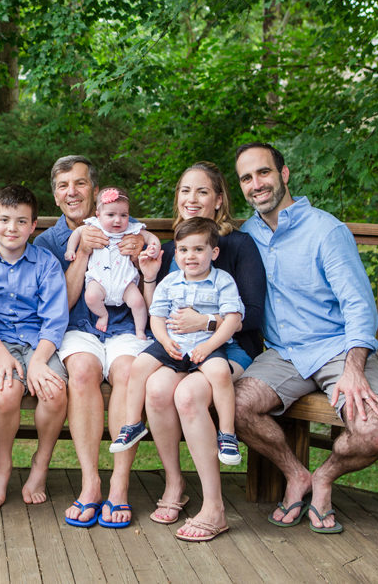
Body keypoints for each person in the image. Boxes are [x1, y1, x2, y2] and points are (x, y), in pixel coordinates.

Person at [233, 142, 378, 534]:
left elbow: (359, 307)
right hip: (284, 355)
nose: (257, 184)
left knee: (373, 433)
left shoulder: (326, 231)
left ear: (284, 174)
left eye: (264, 172)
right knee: (231, 406)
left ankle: (323, 477)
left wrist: (354, 368)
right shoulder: (246, 236)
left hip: (338, 349)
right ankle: (297, 474)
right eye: (247, 178)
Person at [139, 160, 265, 541]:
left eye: (202, 191)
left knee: (188, 395)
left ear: (219, 200)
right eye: (185, 190)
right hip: (181, 349)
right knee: (156, 390)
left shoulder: (239, 245)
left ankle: (214, 507)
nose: (191, 198)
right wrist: (149, 276)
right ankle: (175, 483)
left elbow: (253, 313)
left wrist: (206, 324)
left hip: (230, 347)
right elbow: (158, 311)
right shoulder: (171, 249)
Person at [34, 156, 148, 529]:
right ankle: (90, 482)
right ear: (55, 196)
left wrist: (141, 249)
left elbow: (151, 272)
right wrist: (82, 251)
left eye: (80, 183)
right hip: (77, 327)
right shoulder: (47, 243)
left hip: (125, 328)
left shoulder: (124, 226)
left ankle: (119, 484)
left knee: (128, 372)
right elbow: (60, 306)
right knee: (82, 372)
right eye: (63, 186)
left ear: (95, 192)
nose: (72, 192)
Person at [0, 185, 69, 508]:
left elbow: (55, 318)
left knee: (53, 391)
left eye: (22, 221)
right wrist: (0, 354)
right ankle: (3, 467)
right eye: (5, 220)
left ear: (33, 225)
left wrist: (38, 362)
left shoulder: (45, 263)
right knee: (6, 392)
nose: (12, 228)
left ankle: (41, 463)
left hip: (38, 343)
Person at [112, 217, 244, 471]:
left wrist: (209, 347)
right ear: (176, 253)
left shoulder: (223, 281)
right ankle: (133, 423)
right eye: (183, 250)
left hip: (206, 343)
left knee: (220, 373)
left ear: (214, 252)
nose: (190, 256)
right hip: (173, 342)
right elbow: (157, 317)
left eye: (198, 249)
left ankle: (227, 434)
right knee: (138, 366)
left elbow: (232, 320)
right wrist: (164, 340)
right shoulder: (170, 281)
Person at [64, 186, 160, 338]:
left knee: (138, 302)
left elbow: (151, 238)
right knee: (91, 297)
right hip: (99, 280)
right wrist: (70, 250)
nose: (118, 220)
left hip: (125, 281)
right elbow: (76, 233)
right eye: (110, 215)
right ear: (98, 215)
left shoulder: (131, 229)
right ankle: (103, 315)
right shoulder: (94, 226)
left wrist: (154, 248)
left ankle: (140, 330)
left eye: (124, 215)